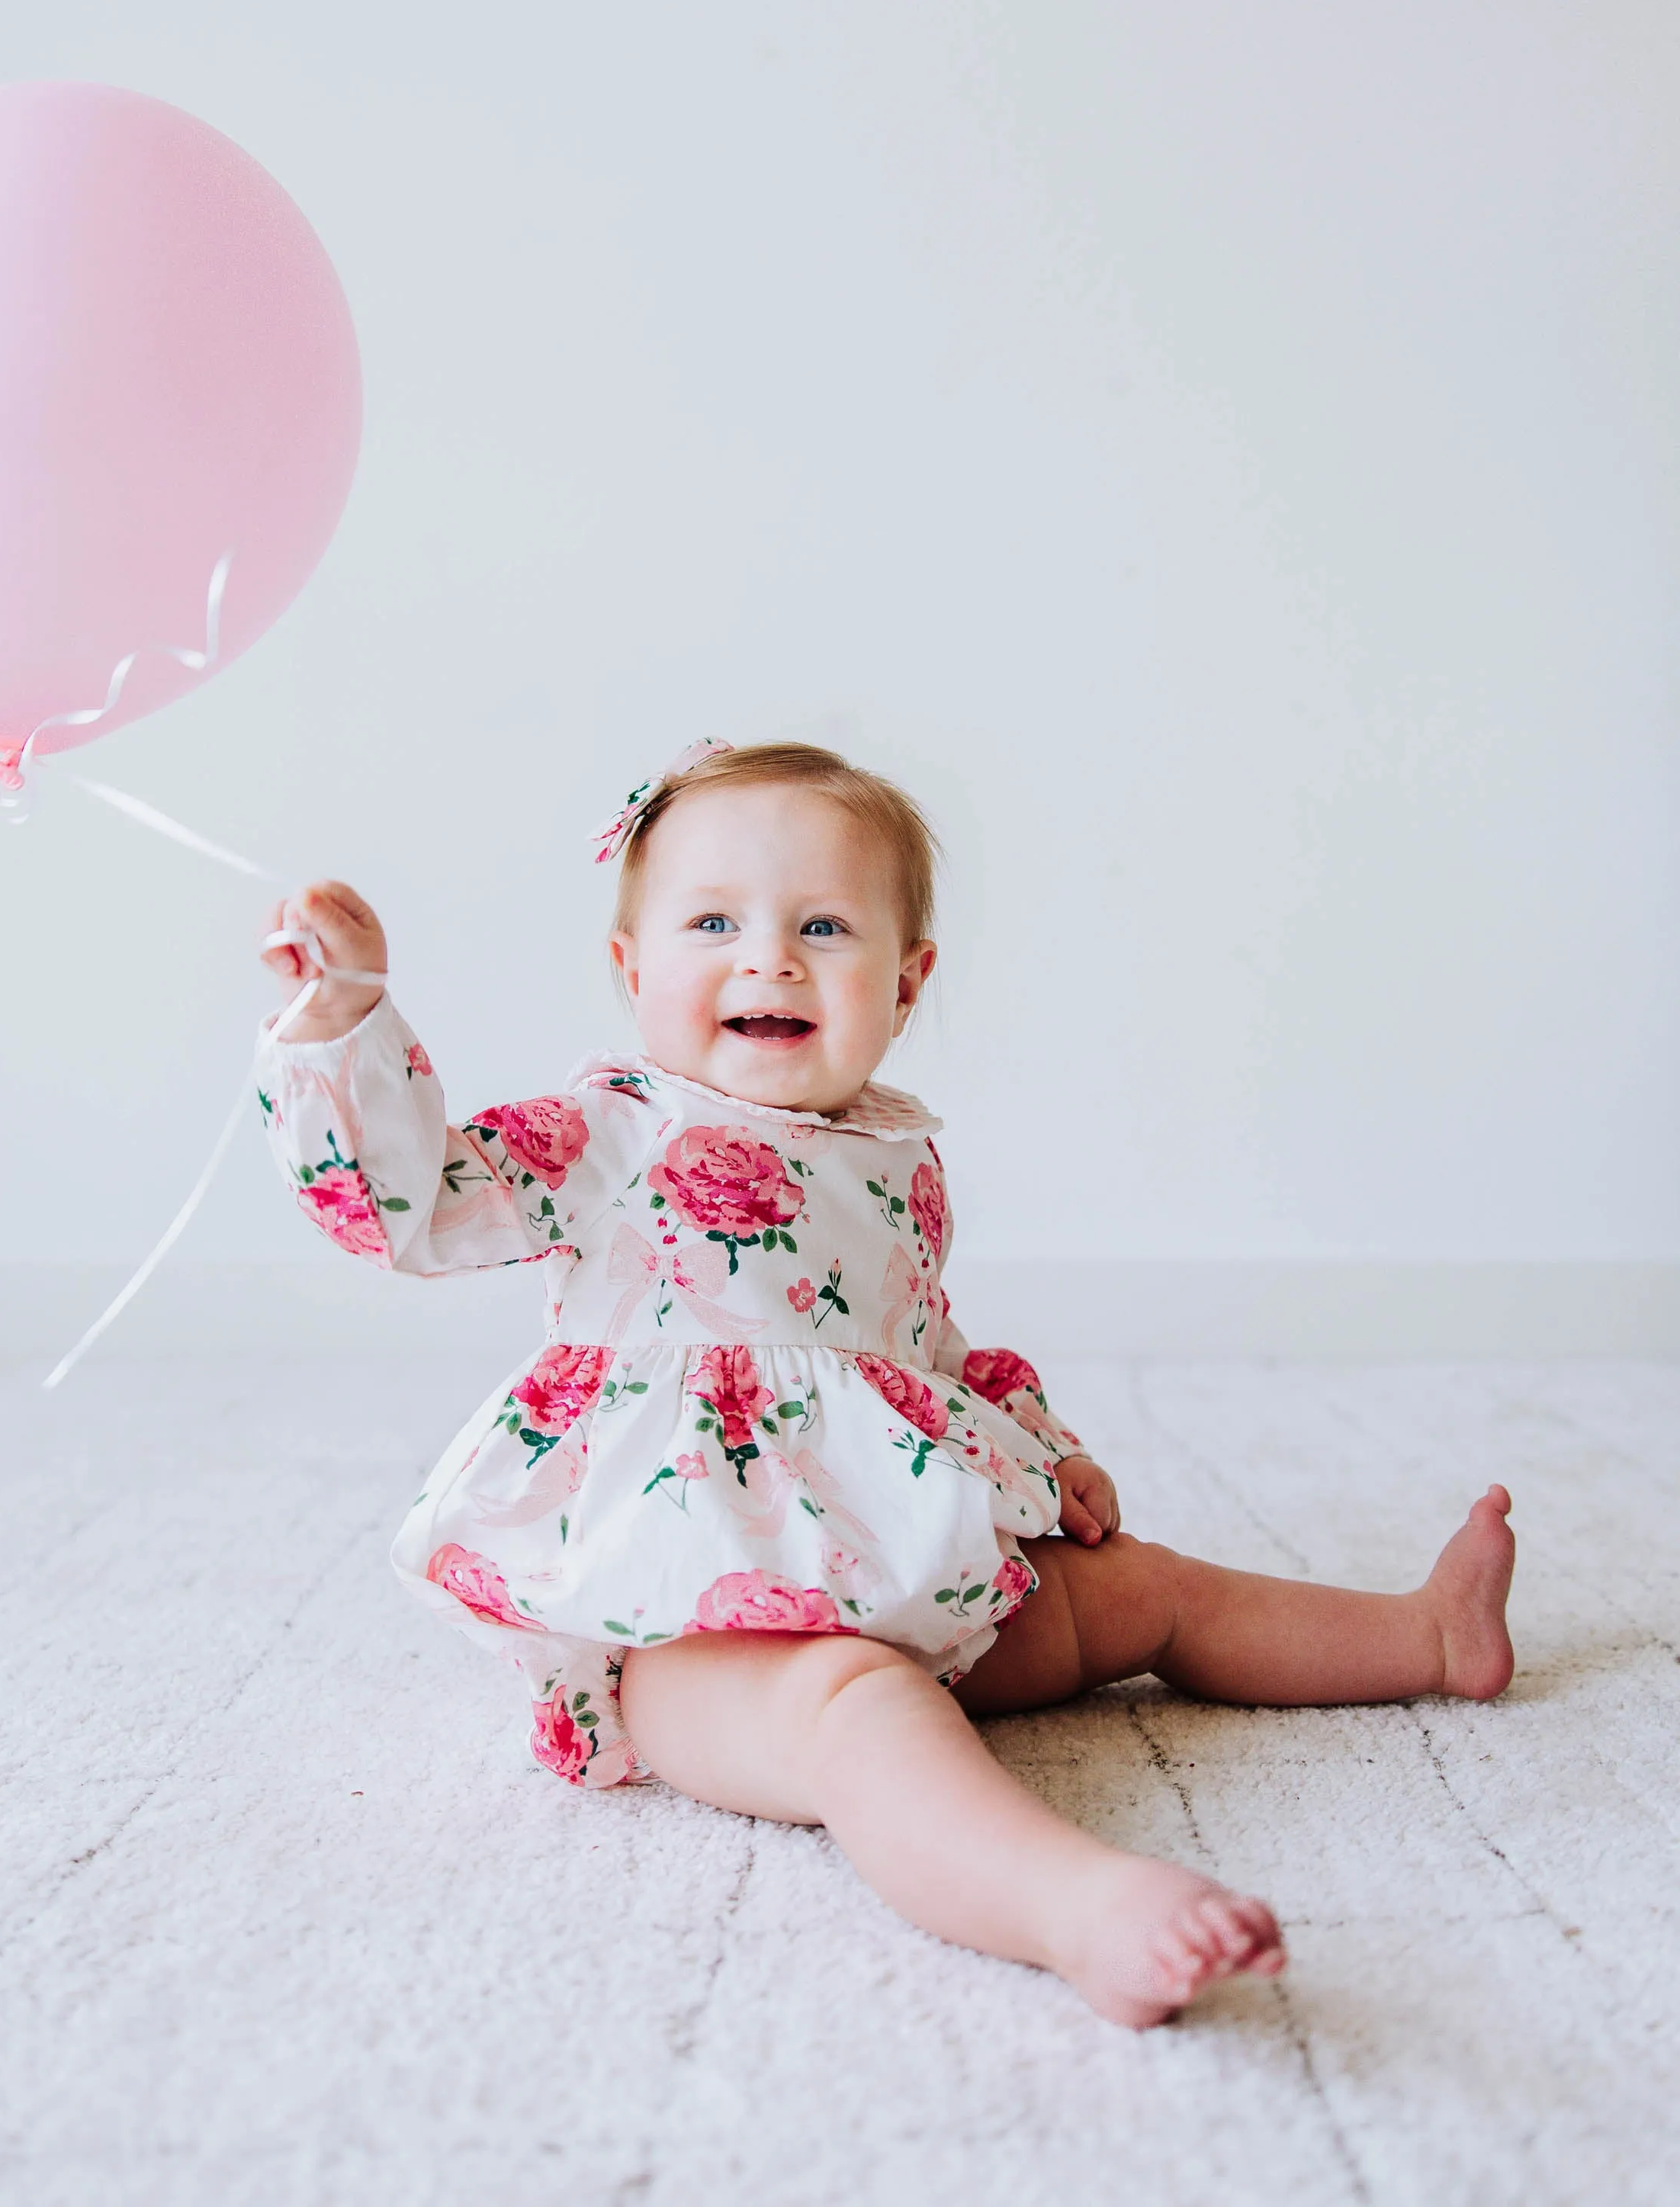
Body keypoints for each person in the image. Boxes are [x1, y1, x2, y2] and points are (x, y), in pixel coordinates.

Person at [255, 737, 1515, 2029]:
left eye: (824, 926)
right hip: (696, 1637)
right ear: (632, 970)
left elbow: (923, 1355)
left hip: (915, 1575)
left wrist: (1041, 1449)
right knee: (855, 1705)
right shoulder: (610, 1134)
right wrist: (346, 1022)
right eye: (713, 922)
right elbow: (412, 1205)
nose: (770, 957)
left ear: (906, 984)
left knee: (1143, 1591)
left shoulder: (890, 1153)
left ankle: (1423, 1636)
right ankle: (1076, 1907)